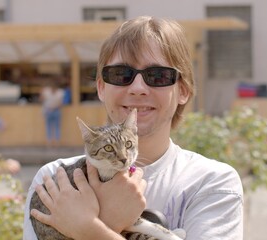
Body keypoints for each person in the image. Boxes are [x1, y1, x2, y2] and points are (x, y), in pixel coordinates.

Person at [23, 16, 243, 240]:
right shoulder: (53, 181)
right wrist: (111, 222)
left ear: (183, 90)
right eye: (121, 74)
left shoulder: (212, 184)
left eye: (157, 75)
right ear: (101, 87)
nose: (138, 88)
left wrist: (91, 229)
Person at [40, 81, 64, 147]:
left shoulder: (60, 92)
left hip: (56, 110)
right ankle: (49, 142)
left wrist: (54, 108)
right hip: (48, 110)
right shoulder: (46, 91)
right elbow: (41, 99)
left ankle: (57, 142)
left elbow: (61, 103)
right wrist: (42, 93)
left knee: (57, 126)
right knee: (48, 126)